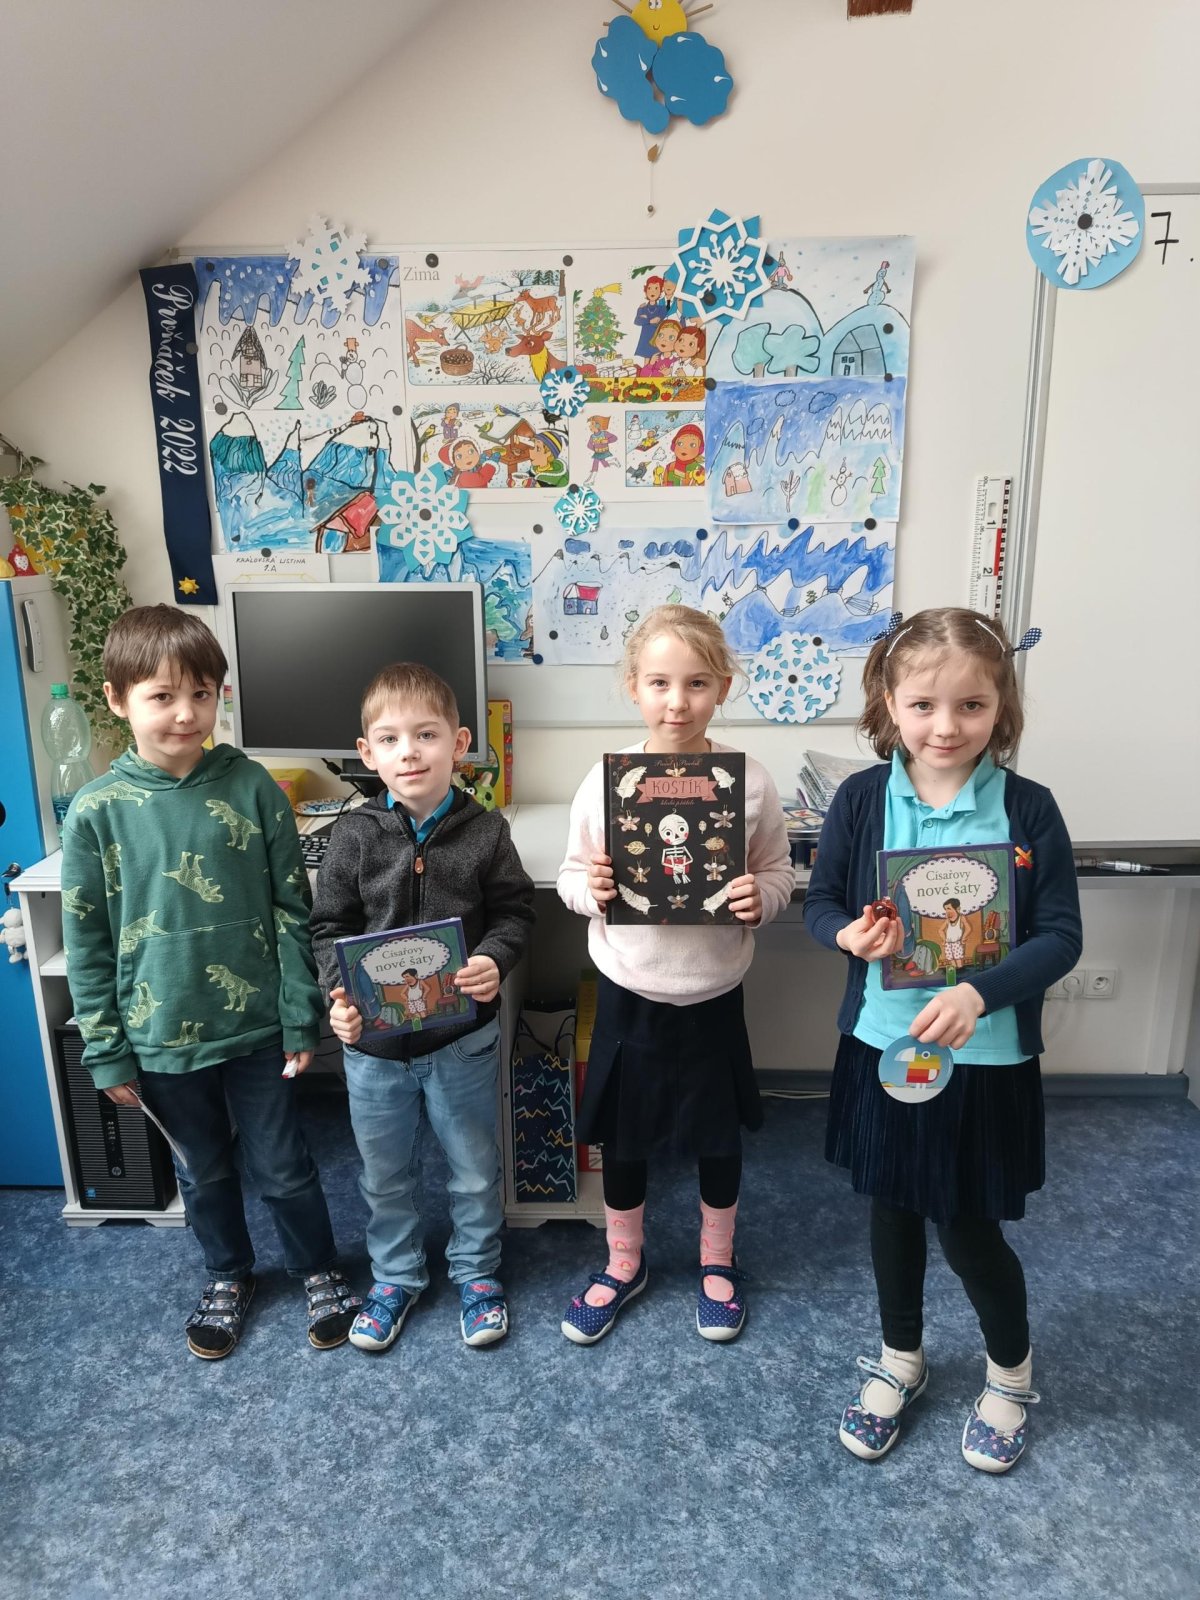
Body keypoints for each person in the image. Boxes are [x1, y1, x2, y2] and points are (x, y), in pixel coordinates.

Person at [803, 608, 1081, 1472]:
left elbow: (1061, 937)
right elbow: (821, 904)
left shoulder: (1029, 810)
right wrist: (847, 935)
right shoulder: (861, 800)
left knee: (967, 1230)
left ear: (1002, 707)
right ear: (890, 703)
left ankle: (1011, 1375)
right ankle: (901, 1359)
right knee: (891, 1214)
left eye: (972, 705)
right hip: (884, 1048)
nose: (947, 726)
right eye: (923, 705)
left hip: (985, 1063)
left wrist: (978, 992)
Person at [61, 605, 360, 1361]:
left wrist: (299, 1014)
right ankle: (228, 1274)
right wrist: (105, 1050)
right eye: (163, 696)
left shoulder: (253, 786)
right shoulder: (95, 813)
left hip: (257, 1029)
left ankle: (318, 1267)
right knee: (202, 1170)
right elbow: (87, 942)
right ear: (117, 699)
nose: (187, 713)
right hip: (159, 1035)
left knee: (284, 1164)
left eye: (202, 694)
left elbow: (293, 911)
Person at [556, 605, 793, 1345]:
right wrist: (590, 890)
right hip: (631, 989)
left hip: (713, 992)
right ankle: (622, 1262)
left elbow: (779, 871)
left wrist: (763, 898)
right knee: (623, 1139)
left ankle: (717, 1260)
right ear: (633, 686)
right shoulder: (606, 781)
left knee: (718, 1137)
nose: (677, 702)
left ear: (723, 687)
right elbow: (570, 873)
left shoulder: (749, 782)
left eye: (696, 683)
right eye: (659, 682)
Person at [311, 664, 535, 1353]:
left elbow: (515, 912)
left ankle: (477, 1271)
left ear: (459, 743)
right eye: (390, 739)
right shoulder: (353, 836)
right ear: (367, 752)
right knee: (384, 1175)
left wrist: (494, 959)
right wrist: (338, 996)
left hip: (460, 1040)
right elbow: (328, 928)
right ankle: (396, 1276)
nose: (409, 752)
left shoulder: (486, 831)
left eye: (426, 735)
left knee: (473, 1167)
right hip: (373, 1049)